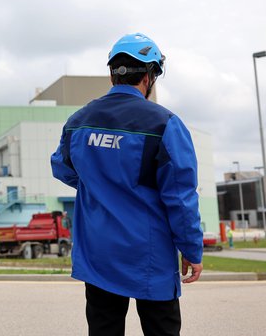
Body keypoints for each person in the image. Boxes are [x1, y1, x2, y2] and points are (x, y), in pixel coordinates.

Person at [50, 33, 203, 336]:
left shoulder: (79, 121)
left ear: (112, 73)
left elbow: (62, 168)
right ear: (150, 76)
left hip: (98, 255)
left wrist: (100, 183)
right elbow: (181, 197)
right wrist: (191, 249)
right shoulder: (164, 123)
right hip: (150, 255)